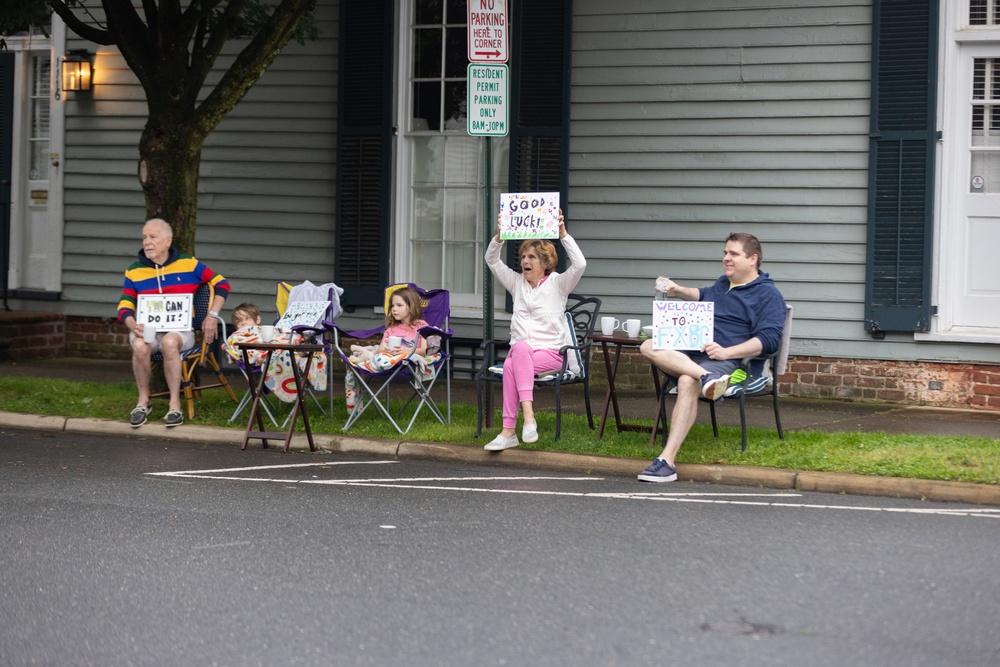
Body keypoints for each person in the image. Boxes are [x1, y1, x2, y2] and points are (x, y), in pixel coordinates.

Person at [637, 232, 786, 482]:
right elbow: (703, 294)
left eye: (733, 254)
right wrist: (676, 290)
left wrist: (727, 351)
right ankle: (705, 378)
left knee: (686, 381)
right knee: (649, 345)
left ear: (753, 259)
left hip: (732, 363)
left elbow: (769, 340)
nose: (726, 258)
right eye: (725, 253)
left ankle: (666, 461)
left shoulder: (768, 295)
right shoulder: (723, 284)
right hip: (696, 356)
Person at [483, 209, 587, 451]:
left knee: (512, 363)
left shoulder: (559, 284)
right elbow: (492, 260)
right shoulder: (516, 282)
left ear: (546, 262)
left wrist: (563, 236)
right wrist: (499, 237)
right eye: (523, 257)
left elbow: (580, 264)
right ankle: (526, 421)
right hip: (521, 353)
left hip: (550, 353)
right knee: (517, 352)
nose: (525, 262)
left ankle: (511, 429)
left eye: (531, 257)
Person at [117, 218, 229, 428]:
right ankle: (143, 402)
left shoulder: (188, 264)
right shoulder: (134, 270)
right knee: (140, 345)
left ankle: (174, 406)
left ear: (167, 241)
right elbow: (125, 305)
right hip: (148, 328)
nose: (147, 242)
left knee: (169, 342)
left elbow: (221, 283)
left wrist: (212, 315)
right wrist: (132, 324)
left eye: (153, 237)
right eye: (144, 237)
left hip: (180, 331)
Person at [344, 286, 430, 411]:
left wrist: (406, 351)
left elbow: (423, 351)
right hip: (388, 362)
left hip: (406, 366)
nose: (394, 309)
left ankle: (366, 358)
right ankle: (366, 358)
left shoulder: (422, 327)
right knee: (377, 357)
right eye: (392, 306)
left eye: (399, 305)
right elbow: (380, 350)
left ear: (411, 307)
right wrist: (386, 351)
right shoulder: (391, 330)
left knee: (381, 358)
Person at [222, 302, 327, 403]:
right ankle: (293, 357)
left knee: (285, 342)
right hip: (262, 359)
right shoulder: (237, 334)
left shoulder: (264, 330)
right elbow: (234, 344)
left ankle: (298, 355)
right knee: (279, 352)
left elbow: (280, 335)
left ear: (257, 319)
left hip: (277, 349)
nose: (243, 323)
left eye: (247, 318)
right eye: (238, 321)